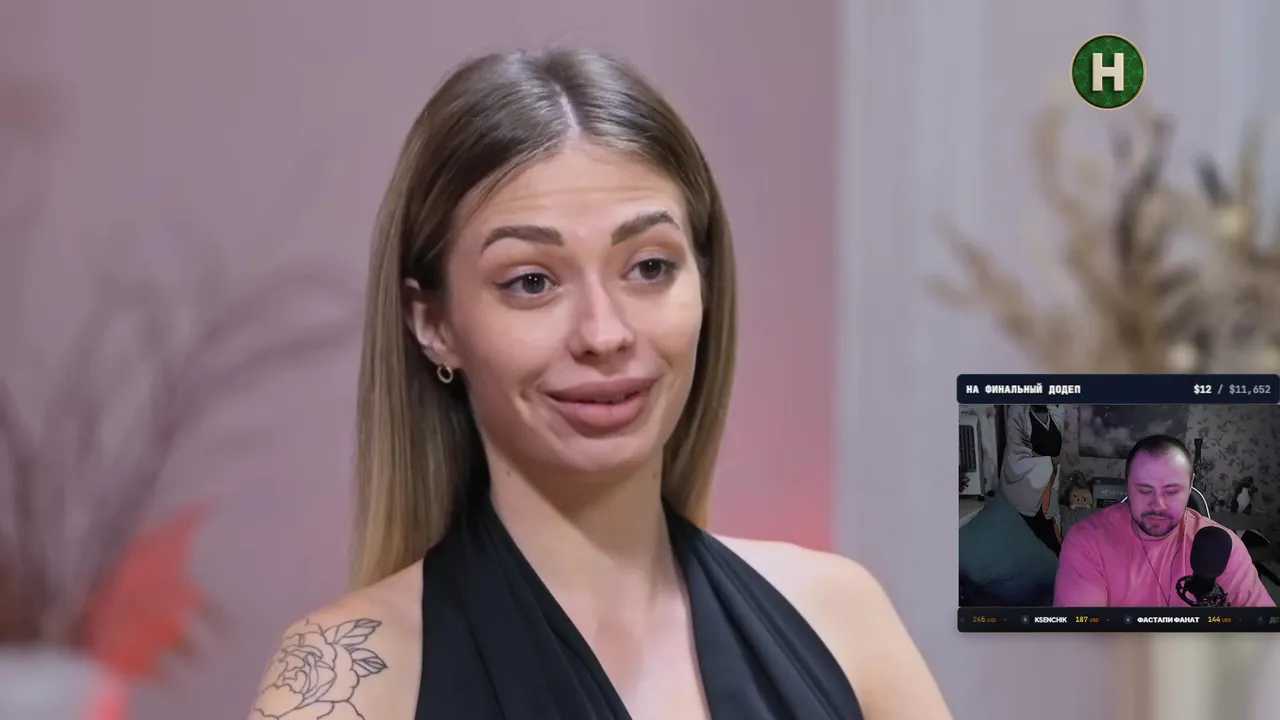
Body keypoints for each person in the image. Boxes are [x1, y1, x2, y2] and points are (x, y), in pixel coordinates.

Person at [247, 48, 951, 720]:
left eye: (650, 267)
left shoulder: (840, 619)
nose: (604, 333)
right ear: (433, 323)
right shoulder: (346, 678)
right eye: (531, 282)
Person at [1054, 434, 1275, 607]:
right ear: (1127, 484)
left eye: (1171, 491)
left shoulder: (1224, 548)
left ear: (1190, 485)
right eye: (1144, 490)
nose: (1158, 505)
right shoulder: (1086, 541)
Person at [1000, 404, 1066, 554]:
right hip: (1025, 494)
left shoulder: (1056, 413)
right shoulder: (1018, 414)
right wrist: (1051, 461)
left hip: (1048, 494)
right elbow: (1016, 461)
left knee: (1054, 551)